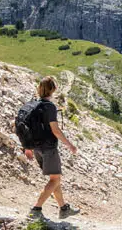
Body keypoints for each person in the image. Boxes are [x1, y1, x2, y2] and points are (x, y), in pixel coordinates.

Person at [18, 76, 78, 220]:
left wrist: (27, 147)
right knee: (55, 179)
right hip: (48, 147)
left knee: (54, 178)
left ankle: (63, 208)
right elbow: (55, 130)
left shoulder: (32, 104)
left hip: (36, 147)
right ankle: (36, 209)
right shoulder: (49, 107)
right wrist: (70, 145)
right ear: (53, 90)